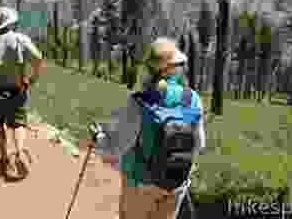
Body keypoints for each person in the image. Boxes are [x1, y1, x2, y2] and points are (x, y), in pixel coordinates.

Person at [81, 37, 206, 219]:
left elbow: (117, 147)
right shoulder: (192, 98)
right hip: (177, 182)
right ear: (173, 69)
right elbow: (199, 145)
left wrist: (99, 138)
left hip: (140, 183)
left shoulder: (139, 102)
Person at [0, 7, 46, 180]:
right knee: (17, 124)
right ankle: (19, 153)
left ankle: (5, 158)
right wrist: (32, 78)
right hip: (16, 90)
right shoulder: (21, 40)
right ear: (11, 23)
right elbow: (38, 58)